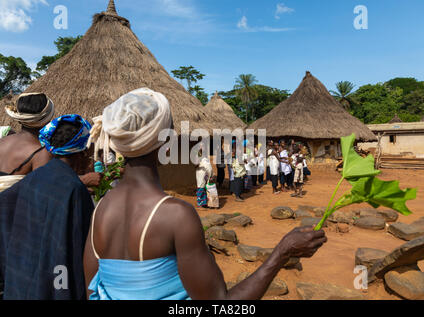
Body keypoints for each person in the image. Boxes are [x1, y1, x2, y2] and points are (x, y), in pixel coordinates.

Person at [83, 87, 327, 300]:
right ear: (166, 142)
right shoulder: (175, 215)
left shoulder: (100, 210)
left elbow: (92, 290)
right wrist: (281, 253)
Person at [0, 114, 95, 300]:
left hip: (22, 283)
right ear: (82, 152)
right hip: (55, 287)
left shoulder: (34, 178)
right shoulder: (73, 189)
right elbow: (76, 250)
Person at [0, 93, 102, 192]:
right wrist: (84, 181)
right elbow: (45, 190)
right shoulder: (41, 152)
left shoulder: (2, 141)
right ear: (48, 118)